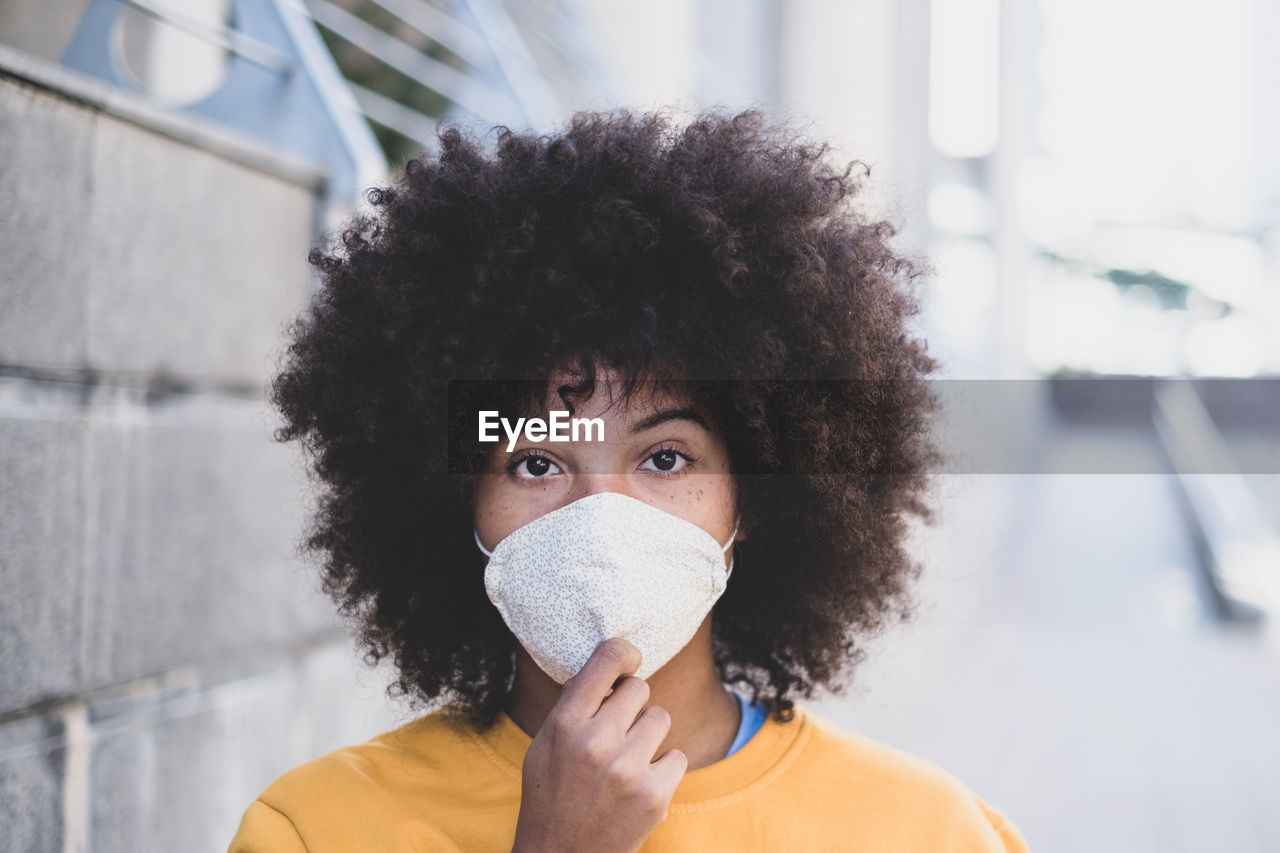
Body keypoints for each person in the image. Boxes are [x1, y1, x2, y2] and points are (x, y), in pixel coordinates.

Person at [228, 107, 1029, 852]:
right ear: (456, 500)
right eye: (536, 461)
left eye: (665, 457)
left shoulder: (929, 831)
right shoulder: (317, 828)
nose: (601, 516)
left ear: (752, 495)